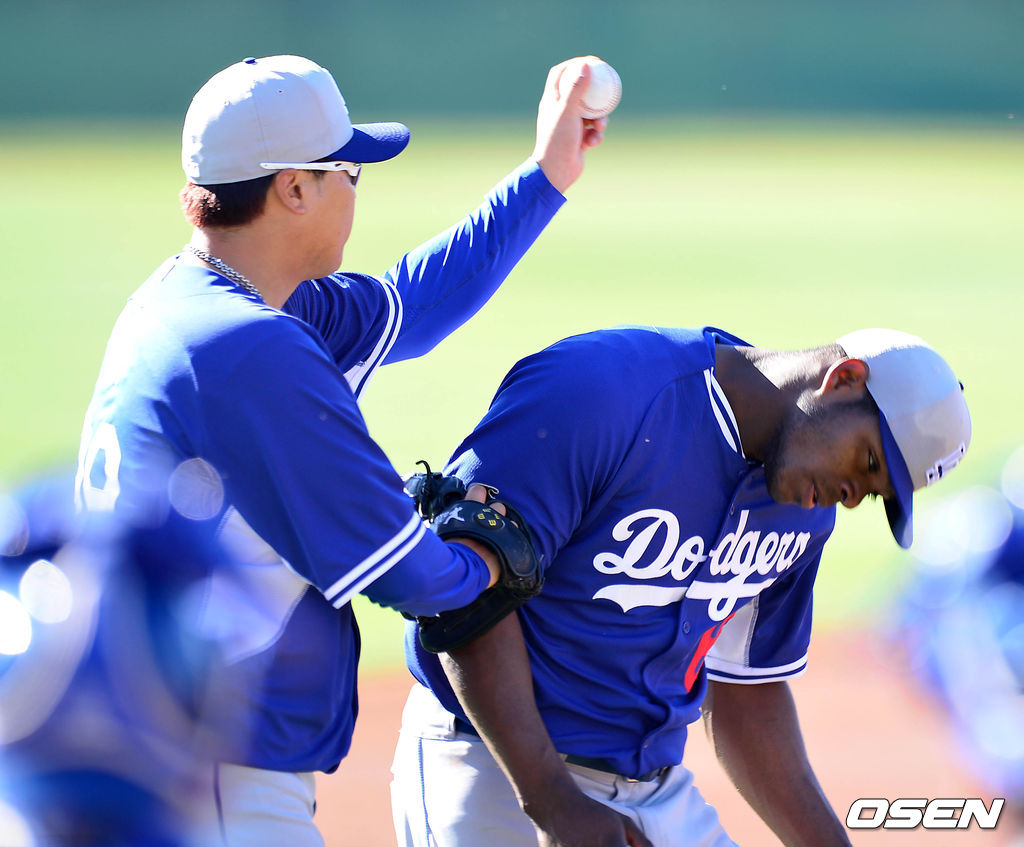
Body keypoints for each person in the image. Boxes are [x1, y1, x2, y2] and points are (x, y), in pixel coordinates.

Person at [74, 53, 606, 844]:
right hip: (207, 772)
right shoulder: (249, 349)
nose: (359, 185)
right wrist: (489, 557)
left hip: (163, 743)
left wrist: (547, 174)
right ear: (293, 186)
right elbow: (412, 573)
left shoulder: (213, 300)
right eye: (348, 169)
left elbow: (415, 303)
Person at [390, 324, 972, 847]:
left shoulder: (805, 506)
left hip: (656, 792)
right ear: (842, 380)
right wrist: (553, 800)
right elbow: (463, 592)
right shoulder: (603, 390)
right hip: (493, 761)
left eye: (876, 495)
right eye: (868, 461)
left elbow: (748, 692)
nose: (853, 495)